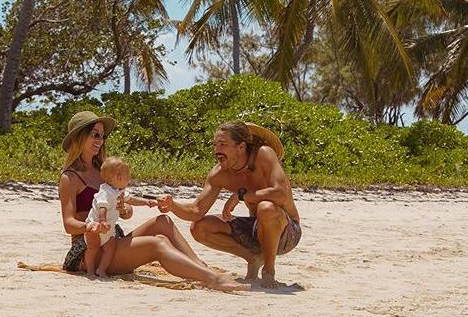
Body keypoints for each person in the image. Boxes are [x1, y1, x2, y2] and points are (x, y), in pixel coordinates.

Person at [58, 111, 249, 291]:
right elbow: (69, 224)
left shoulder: (105, 171)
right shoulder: (70, 178)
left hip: (113, 239)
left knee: (163, 222)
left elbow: (125, 212)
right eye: (95, 135)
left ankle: (201, 268)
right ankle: (212, 279)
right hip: (89, 249)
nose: (100, 140)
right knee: (157, 243)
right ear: (80, 137)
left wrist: (124, 210)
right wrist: (91, 226)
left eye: (102, 136)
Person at [157, 121, 301, 288]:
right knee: (199, 227)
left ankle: (269, 271)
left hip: (287, 233)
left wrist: (241, 196)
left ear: (241, 147)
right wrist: (173, 205)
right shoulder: (219, 173)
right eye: (215, 145)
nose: (217, 150)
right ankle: (252, 257)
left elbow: (281, 194)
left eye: (223, 144)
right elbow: (196, 211)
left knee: (266, 208)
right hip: (255, 232)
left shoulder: (264, 155)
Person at [84, 157, 157, 277]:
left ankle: (101, 269)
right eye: (127, 176)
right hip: (96, 227)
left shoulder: (118, 191)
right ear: (118, 177)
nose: (129, 179)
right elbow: (102, 207)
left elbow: (131, 199)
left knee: (110, 249)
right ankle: (90, 271)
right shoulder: (105, 192)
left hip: (109, 229)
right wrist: (102, 222)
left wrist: (146, 202)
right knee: (92, 249)